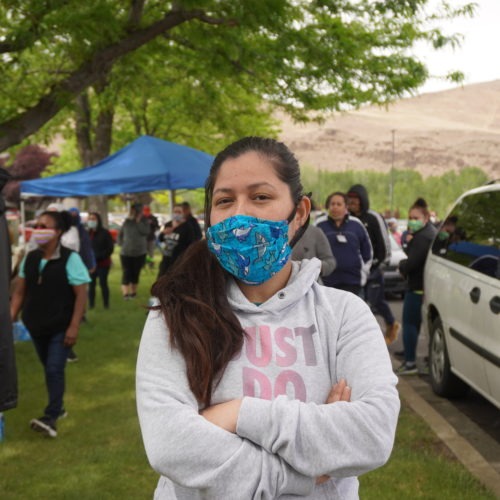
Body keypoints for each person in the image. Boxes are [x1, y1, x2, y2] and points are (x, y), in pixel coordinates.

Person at [136, 137, 399, 499]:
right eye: (225, 200)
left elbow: (372, 435)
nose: (240, 215)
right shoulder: (174, 315)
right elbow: (172, 445)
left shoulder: (345, 316)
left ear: (300, 212)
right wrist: (310, 468)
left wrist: (236, 413)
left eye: (260, 197)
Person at [10, 210, 90, 437]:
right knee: (50, 369)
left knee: (55, 369)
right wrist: (10, 317)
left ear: (57, 232)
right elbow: (19, 292)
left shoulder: (70, 258)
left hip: (60, 327)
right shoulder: (31, 257)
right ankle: (59, 407)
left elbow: (81, 295)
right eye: (36, 226)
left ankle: (51, 417)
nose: (37, 230)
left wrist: (74, 326)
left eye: (43, 226)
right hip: (35, 325)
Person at [347, 185, 400, 345]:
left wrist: (379, 267)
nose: (352, 202)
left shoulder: (374, 217)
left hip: (374, 269)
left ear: (362, 199)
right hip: (355, 273)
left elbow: (385, 244)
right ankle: (364, 340)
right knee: (360, 306)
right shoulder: (347, 218)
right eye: (350, 198)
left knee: (376, 301)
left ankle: (391, 323)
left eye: (355, 199)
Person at [396, 198, 437, 375]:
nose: (412, 220)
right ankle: (417, 356)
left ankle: (410, 362)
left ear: (426, 218)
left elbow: (412, 263)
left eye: (415, 217)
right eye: (410, 217)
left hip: (417, 287)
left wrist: (402, 266)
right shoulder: (428, 233)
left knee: (410, 324)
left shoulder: (422, 238)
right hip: (425, 287)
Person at [317, 191, 372, 296]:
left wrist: (364, 273)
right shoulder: (319, 225)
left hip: (354, 283)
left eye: (339, 204)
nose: (335, 207)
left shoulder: (356, 224)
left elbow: (367, 252)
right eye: (332, 204)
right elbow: (313, 252)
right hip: (327, 285)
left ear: (346, 207)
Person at [118, 203, 149, 299]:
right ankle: (125, 294)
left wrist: (139, 221)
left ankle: (133, 293)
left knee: (136, 272)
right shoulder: (127, 221)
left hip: (139, 252)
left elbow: (146, 232)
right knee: (126, 272)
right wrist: (121, 243)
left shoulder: (144, 222)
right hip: (126, 252)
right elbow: (120, 234)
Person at [157, 203, 197, 278]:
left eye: (179, 212)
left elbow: (192, 243)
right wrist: (163, 233)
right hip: (166, 259)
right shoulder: (168, 224)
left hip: (179, 260)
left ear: (183, 213)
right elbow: (160, 239)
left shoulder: (187, 226)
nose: (177, 214)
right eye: (175, 212)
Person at [87, 211, 114, 309]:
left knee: (103, 283)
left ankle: (106, 305)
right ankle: (91, 305)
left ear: (98, 220)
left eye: (93, 219)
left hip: (103, 263)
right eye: (90, 219)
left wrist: (100, 256)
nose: (91, 221)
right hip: (91, 264)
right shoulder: (87, 233)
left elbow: (110, 248)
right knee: (91, 285)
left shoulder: (105, 233)